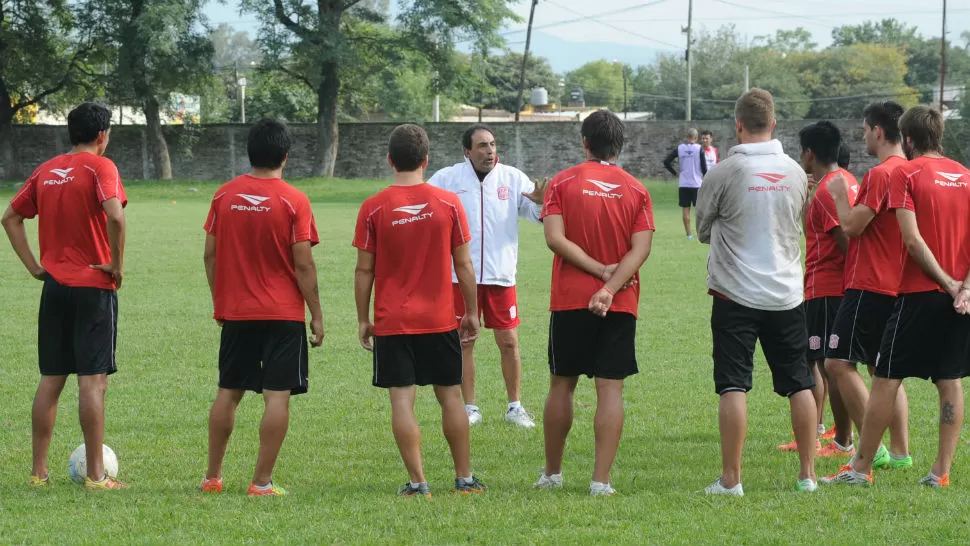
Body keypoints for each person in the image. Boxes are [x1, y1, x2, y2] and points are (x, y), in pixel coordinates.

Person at [823, 106, 970, 488]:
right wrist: (963, 286)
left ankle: (860, 468)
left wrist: (946, 282)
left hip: (919, 293)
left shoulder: (905, 173)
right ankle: (940, 472)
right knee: (950, 380)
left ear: (906, 139)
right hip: (959, 298)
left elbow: (911, 239)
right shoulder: (966, 176)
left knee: (886, 378)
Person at [354, 124, 487, 497]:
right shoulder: (448, 203)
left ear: (389, 160)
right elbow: (463, 265)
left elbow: (364, 269)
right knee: (451, 397)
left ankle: (418, 482)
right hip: (439, 319)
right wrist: (472, 311)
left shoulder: (374, 206)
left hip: (393, 321)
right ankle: (463, 479)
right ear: (426, 160)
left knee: (402, 399)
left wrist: (364, 319)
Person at [695, 88, 817, 495]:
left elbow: (701, 230)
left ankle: (731, 480)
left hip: (735, 294)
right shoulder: (797, 172)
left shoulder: (724, 172)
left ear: (738, 125)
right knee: (799, 381)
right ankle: (808, 476)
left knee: (733, 384)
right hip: (787, 293)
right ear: (775, 123)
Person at [2, 103, 128, 491]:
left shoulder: (46, 170)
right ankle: (96, 476)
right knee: (93, 383)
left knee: (51, 379)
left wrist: (34, 267)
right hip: (92, 287)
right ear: (102, 135)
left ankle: (39, 473)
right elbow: (116, 216)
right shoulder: (100, 167)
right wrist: (115, 263)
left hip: (54, 288)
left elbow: (9, 216)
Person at [200, 119, 324, 497]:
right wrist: (316, 313)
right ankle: (261, 482)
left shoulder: (224, 196)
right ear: (286, 155)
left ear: (249, 153)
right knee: (277, 396)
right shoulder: (294, 199)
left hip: (237, 312)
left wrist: (220, 300)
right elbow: (302, 263)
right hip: (283, 314)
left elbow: (210, 255)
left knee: (229, 390)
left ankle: (213, 477)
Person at [534, 110, 655, 497]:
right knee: (611, 390)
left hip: (571, 299)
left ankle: (552, 474)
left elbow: (555, 238)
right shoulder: (637, 189)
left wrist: (599, 273)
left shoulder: (563, 182)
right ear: (620, 145)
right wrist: (612, 284)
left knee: (561, 385)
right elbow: (641, 249)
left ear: (584, 142)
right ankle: (601, 481)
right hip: (620, 302)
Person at [427, 124, 546, 429]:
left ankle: (515, 407)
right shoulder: (447, 179)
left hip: (500, 275)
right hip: (460, 277)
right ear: (467, 151)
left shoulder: (512, 178)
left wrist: (540, 202)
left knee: (508, 341)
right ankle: (469, 407)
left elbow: (537, 217)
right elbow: (428, 211)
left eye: (492, 144)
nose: (489, 151)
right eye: (481, 146)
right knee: (465, 341)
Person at [819, 102, 913, 475]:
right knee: (884, 371)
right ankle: (901, 451)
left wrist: (840, 193)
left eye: (864, 129)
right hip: (899, 284)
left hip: (868, 282)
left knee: (837, 363)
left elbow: (852, 226)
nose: (862, 136)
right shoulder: (912, 170)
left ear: (877, 130)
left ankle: (870, 452)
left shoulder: (881, 173)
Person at [776, 122, 857, 457]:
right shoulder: (846, 182)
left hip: (827, 289)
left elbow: (846, 245)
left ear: (809, 153)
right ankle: (829, 433)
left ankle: (841, 441)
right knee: (827, 364)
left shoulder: (828, 193)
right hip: (831, 290)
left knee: (828, 365)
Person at [664, 128, 708, 240]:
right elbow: (704, 168)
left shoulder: (680, 148)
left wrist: (674, 172)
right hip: (697, 183)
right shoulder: (699, 149)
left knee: (685, 209)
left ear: (686, 137)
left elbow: (666, 161)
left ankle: (689, 235)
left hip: (683, 184)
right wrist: (706, 178)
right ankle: (699, 233)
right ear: (696, 137)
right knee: (699, 211)